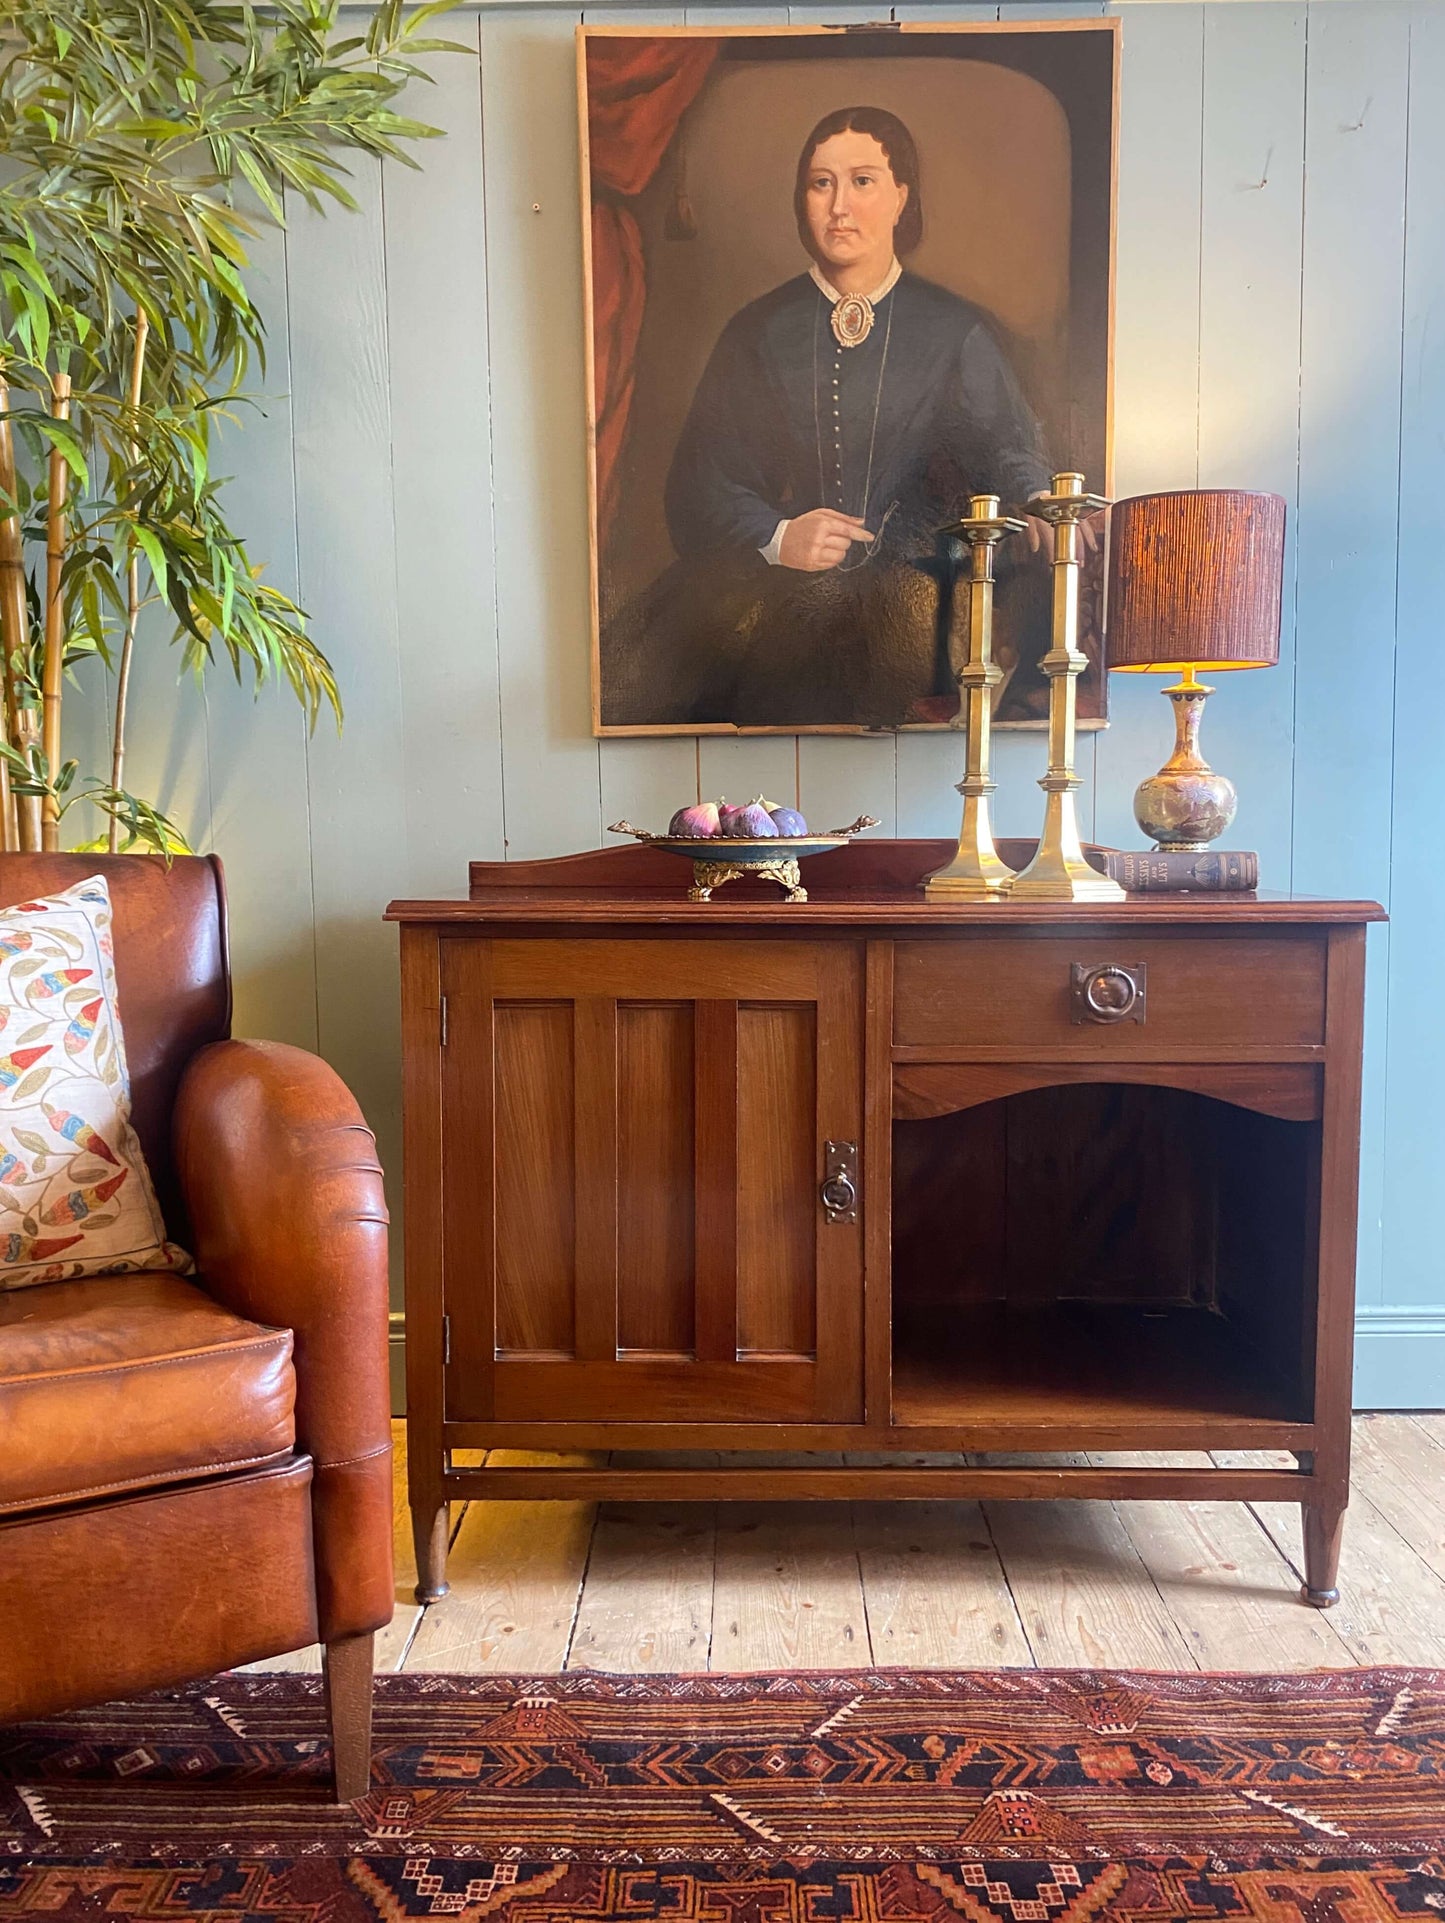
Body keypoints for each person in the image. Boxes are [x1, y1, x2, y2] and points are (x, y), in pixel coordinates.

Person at [600, 105, 1059, 729]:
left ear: (901, 197)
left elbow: (1008, 445)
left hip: (915, 588)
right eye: (822, 183)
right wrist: (779, 535)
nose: (839, 206)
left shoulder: (954, 329)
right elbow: (700, 485)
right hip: (773, 589)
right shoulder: (758, 330)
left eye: (863, 181)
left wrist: (1034, 492)